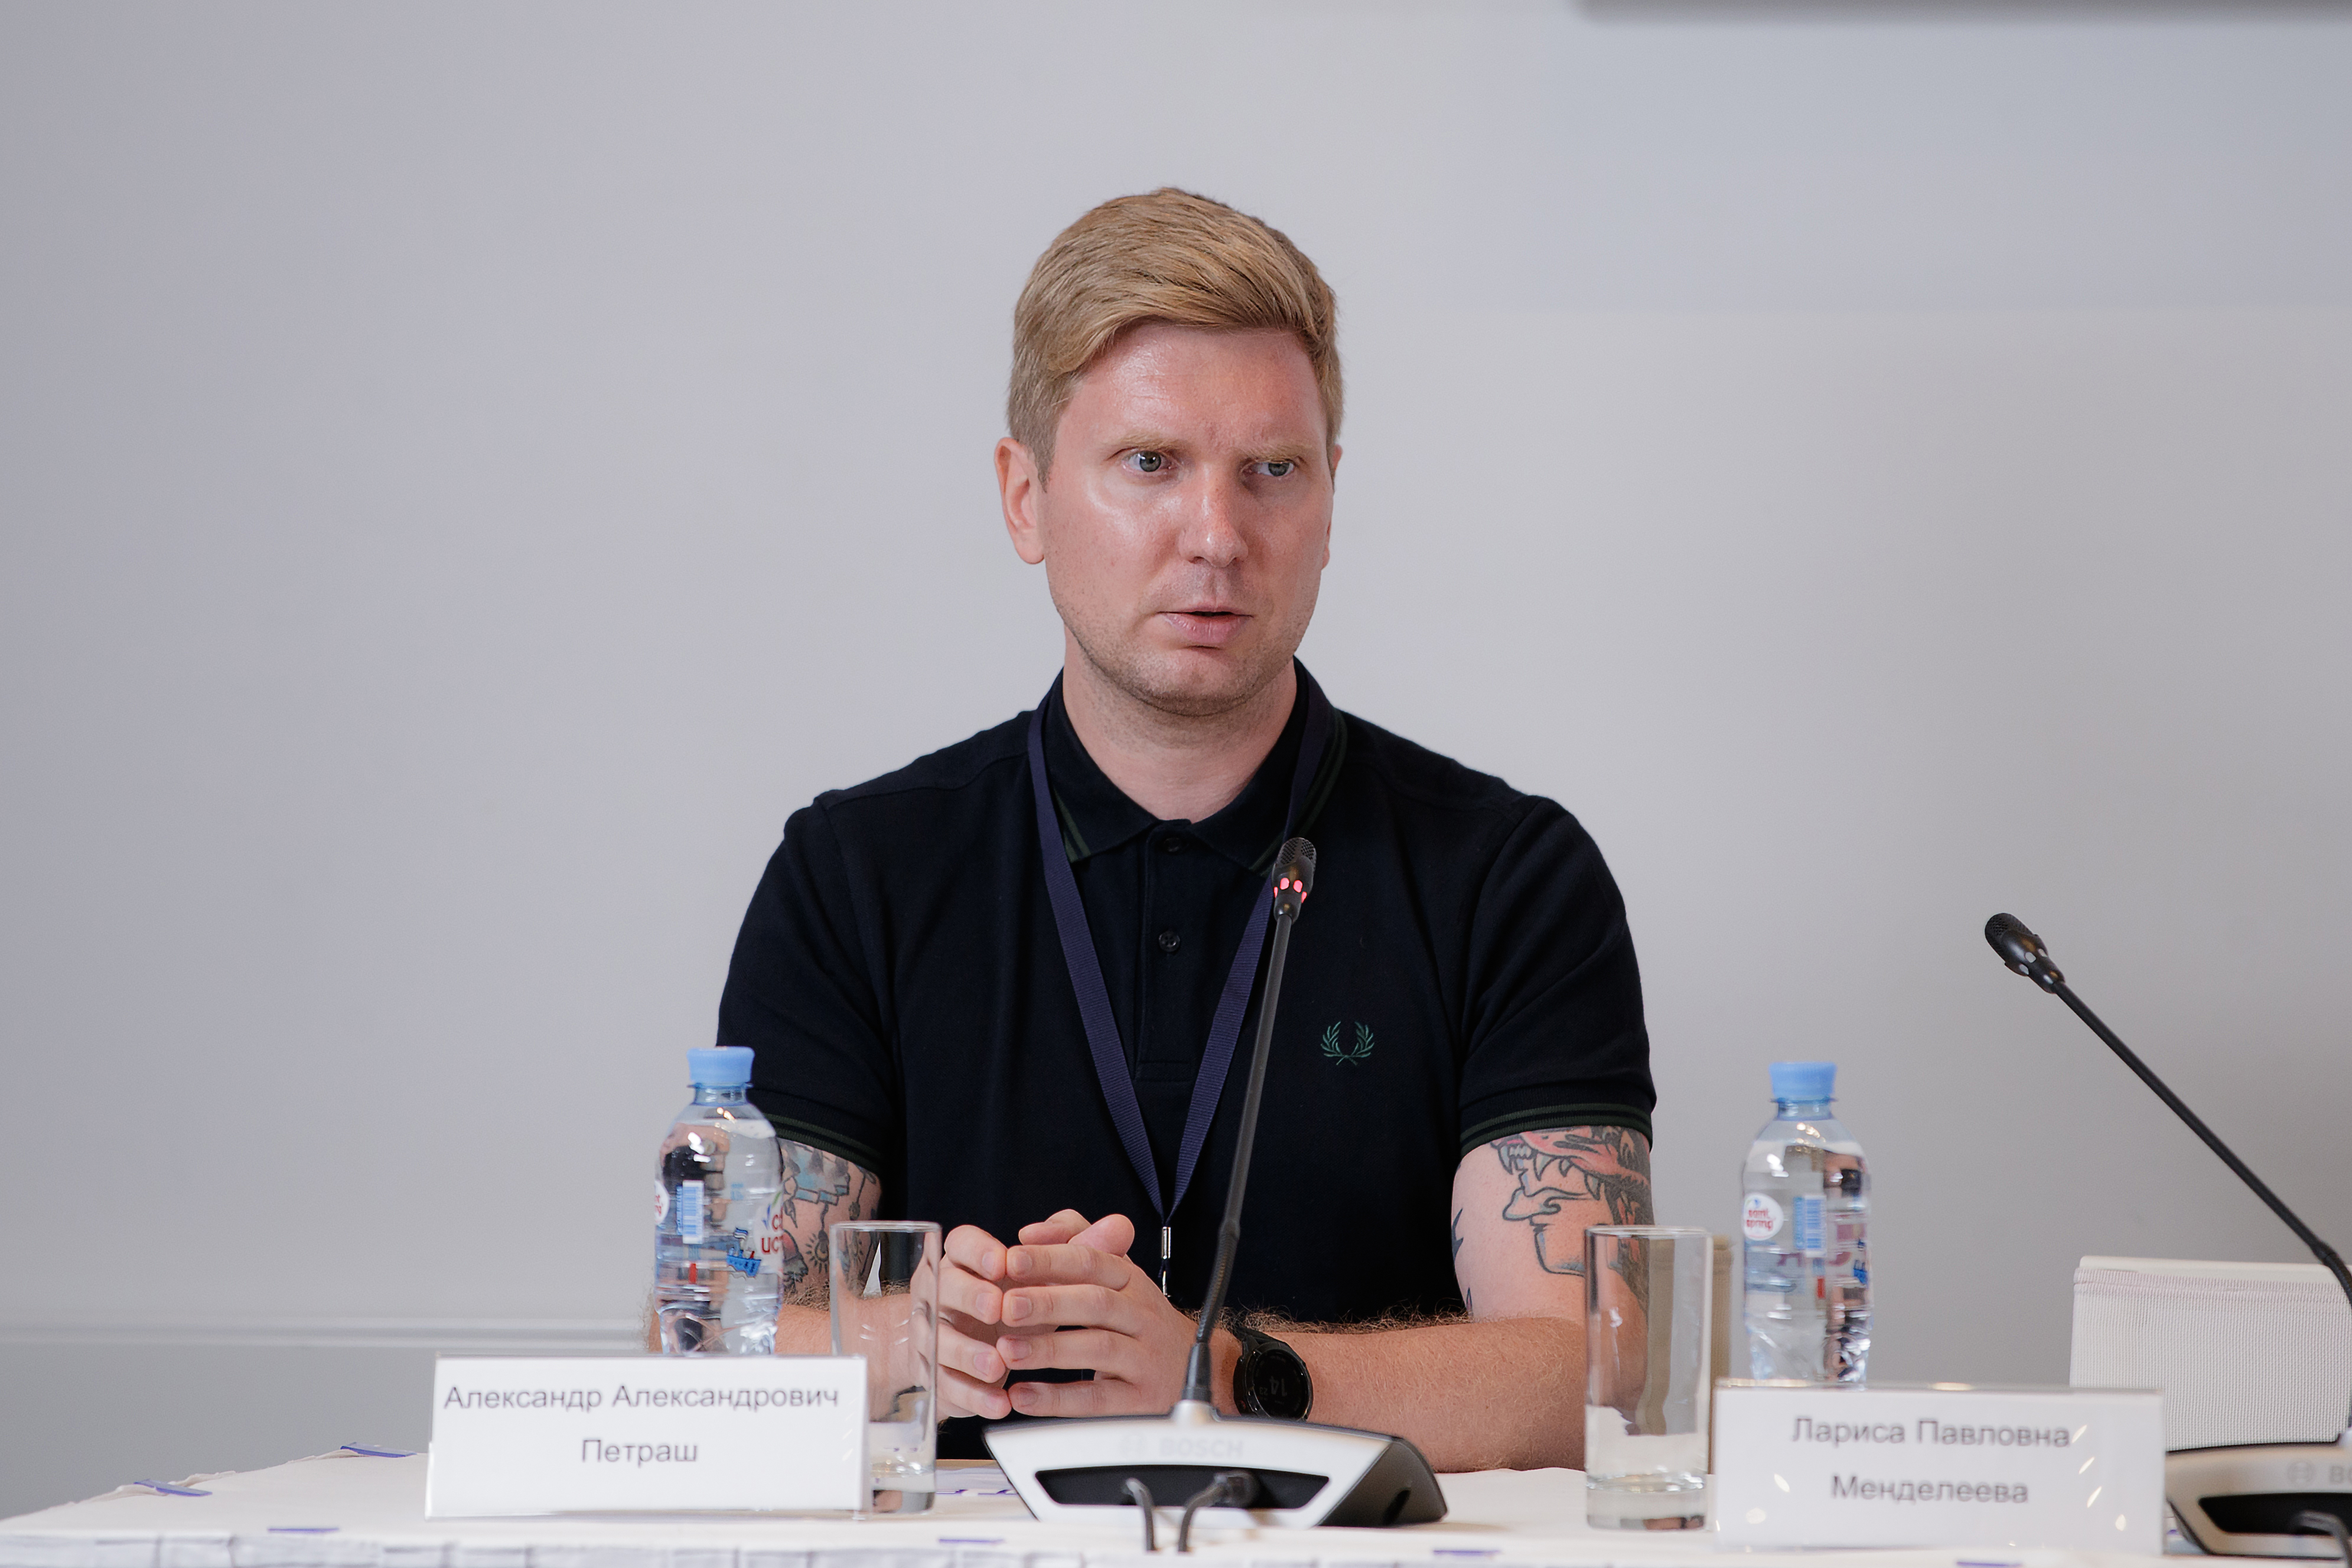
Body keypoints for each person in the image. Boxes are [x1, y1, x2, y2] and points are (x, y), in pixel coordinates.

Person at [715, 188, 1654, 1471]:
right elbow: (704, 1342)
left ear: (1330, 501)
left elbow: (1586, 1367)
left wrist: (1216, 1371)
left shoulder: (1509, 876)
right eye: (1149, 463)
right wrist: (917, 1339)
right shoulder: (853, 876)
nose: (1216, 536)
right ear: (1025, 497)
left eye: (1272, 471)